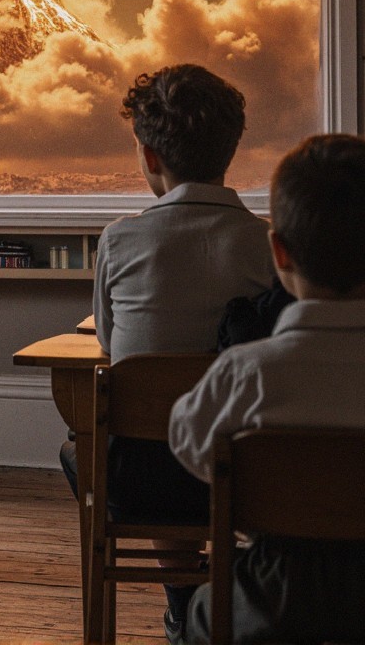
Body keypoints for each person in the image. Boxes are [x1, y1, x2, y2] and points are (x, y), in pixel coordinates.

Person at [77, 64, 275, 639]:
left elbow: (115, 354)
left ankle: (183, 597)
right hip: (244, 471)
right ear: (230, 150)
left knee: (92, 450)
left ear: (150, 156)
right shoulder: (267, 244)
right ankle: (213, 597)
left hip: (147, 476)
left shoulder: (120, 239)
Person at [168, 133, 365, 643]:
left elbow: (190, 444)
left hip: (271, 600)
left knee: (203, 609)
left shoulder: (246, 374)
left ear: (279, 252)